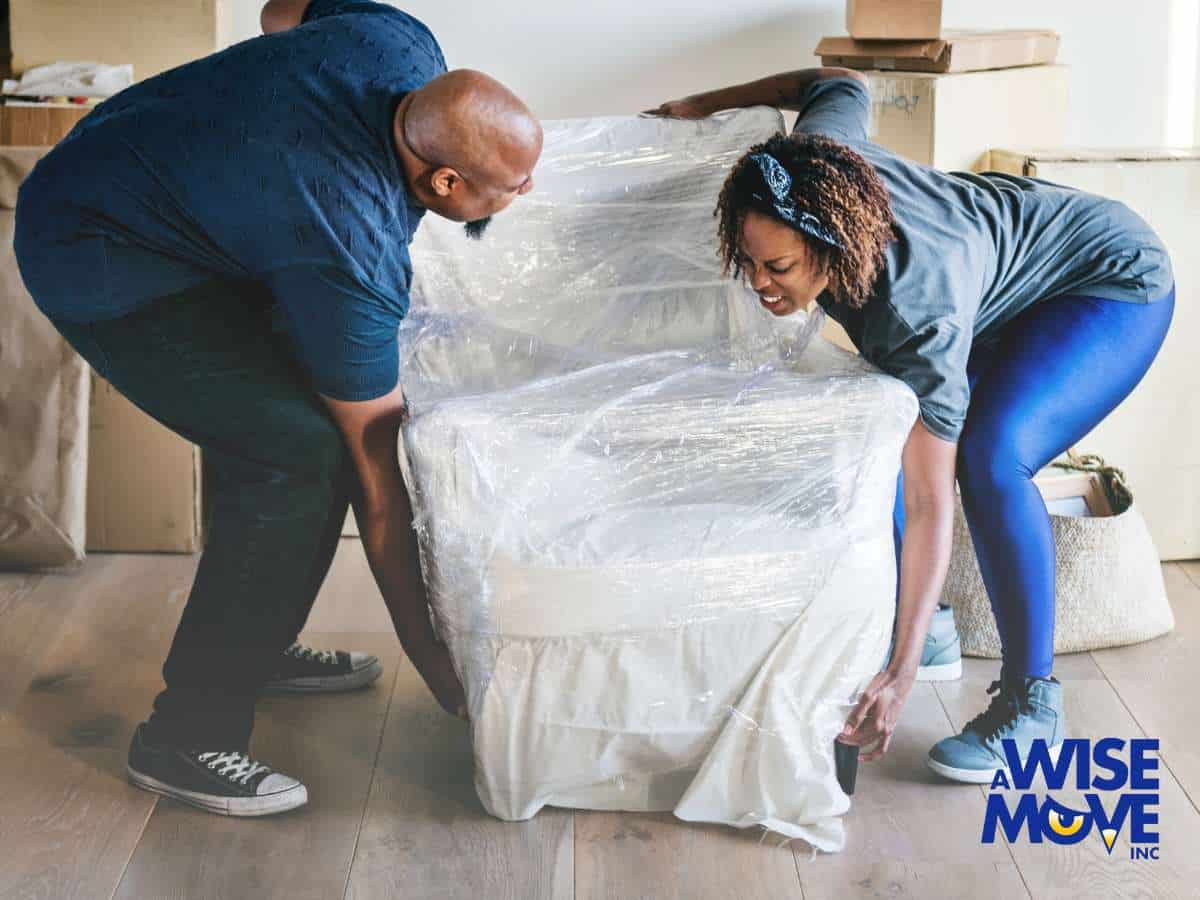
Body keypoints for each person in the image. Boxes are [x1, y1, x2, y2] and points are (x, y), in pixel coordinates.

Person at [15, 0, 542, 816]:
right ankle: (185, 732)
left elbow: (279, 11)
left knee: (271, 422)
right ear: (445, 181)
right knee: (299, 454)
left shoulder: (398, 41)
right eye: (506, 191)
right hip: (93, 249)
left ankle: (252, 642)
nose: (522, 194)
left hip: (142, 171)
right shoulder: (348, 239)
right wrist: (434, 665)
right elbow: (378, 490)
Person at [646, 67, 1173, 781]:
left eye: (777, 266)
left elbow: (930, 503)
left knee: (989, 459)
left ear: (832, 243)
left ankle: (1033, 705)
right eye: (746, 261)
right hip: (999, 285)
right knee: (881, 433)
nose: (758, 284)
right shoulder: (811, 163)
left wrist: (892, 676)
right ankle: (928, 631)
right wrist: (700, 100)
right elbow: (838, 81)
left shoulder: (916, 313)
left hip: (1109, 280)